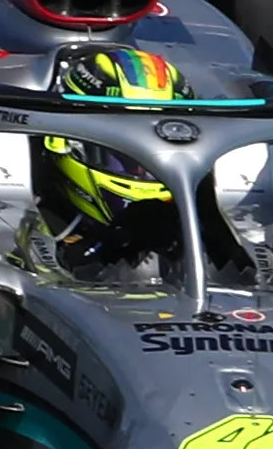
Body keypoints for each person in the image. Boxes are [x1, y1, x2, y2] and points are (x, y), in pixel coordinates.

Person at [32, 48, 193, 280]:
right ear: (63, 141)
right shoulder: (31, 219)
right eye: (122, 154)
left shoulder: (196, 229)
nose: (141, 166)